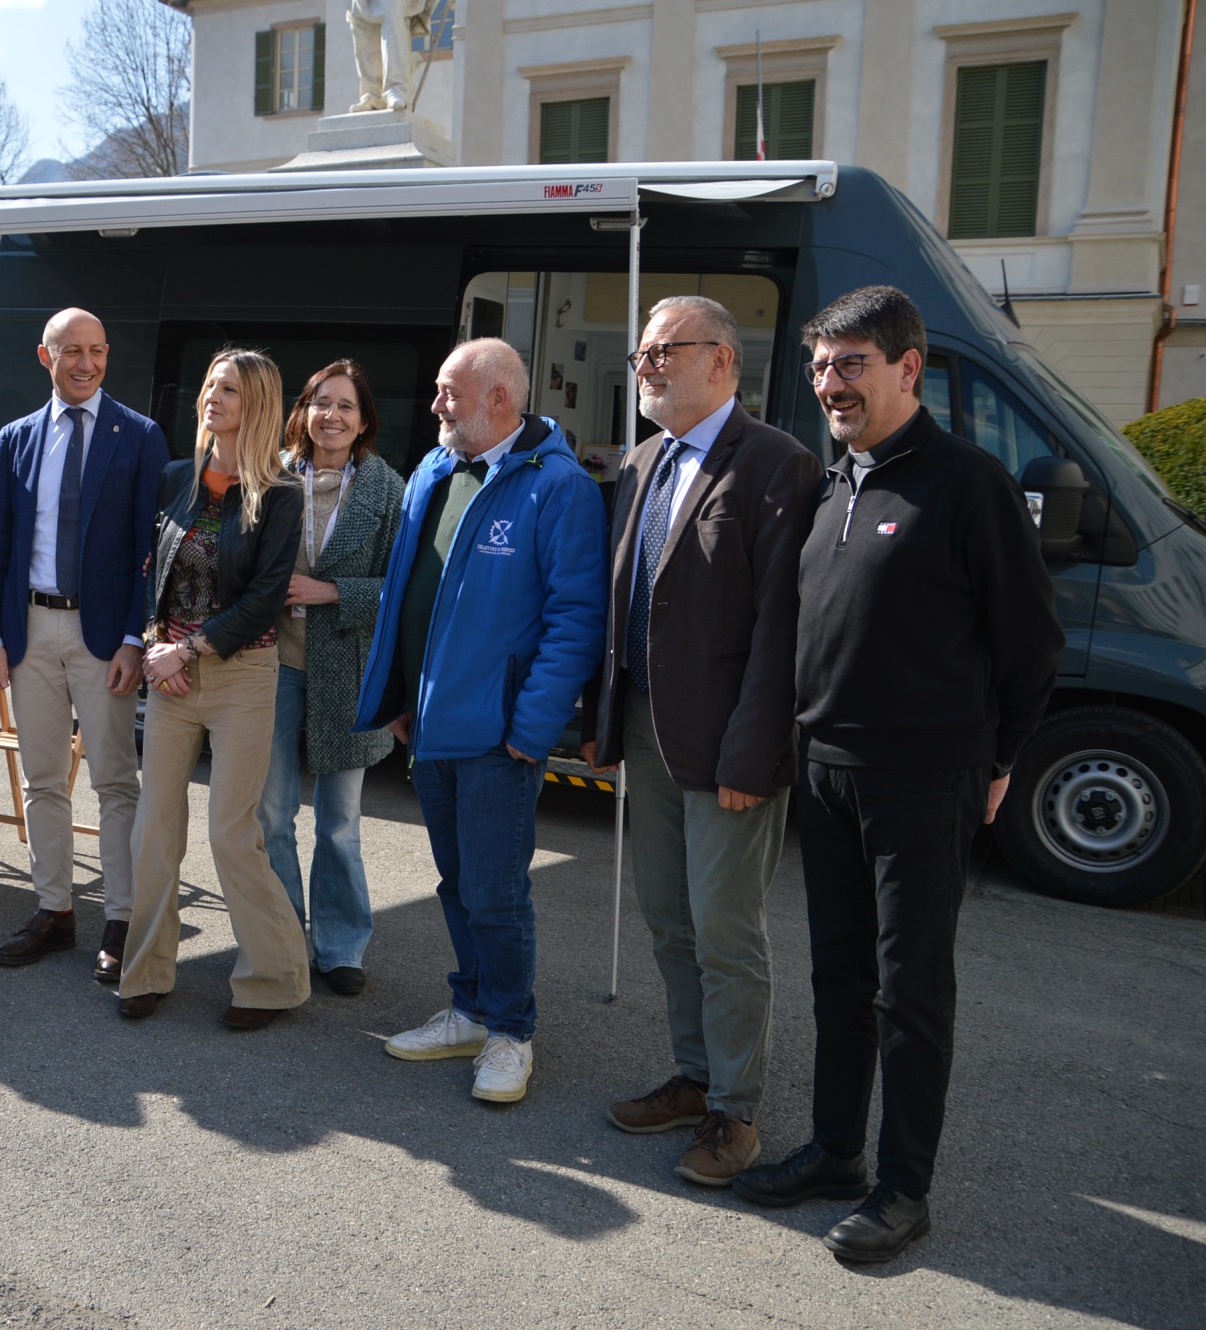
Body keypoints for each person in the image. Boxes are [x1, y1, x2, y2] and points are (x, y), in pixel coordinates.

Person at [734, 286, 1064, 1262]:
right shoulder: (834, 483)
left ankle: (902, 1188)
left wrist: (999, 758)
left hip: (923, 778)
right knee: (838, 978)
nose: (829, 383)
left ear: (907, 367)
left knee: (908, 993)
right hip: (827, 771)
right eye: (818, 367)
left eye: (850, 364)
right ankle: (835, 1152)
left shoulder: (968, 484)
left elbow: (1031, 643)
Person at [579, 297, 823, 1183]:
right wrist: (602, 721)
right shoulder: (642, 461)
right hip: (647, 726)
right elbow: (621, 604)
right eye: (641, 354)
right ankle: (695, 1076)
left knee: (725, 930)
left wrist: (754, 754)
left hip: (729, 745)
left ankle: (736, 1111)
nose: (645, 367)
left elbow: (782, 630)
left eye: (662, 352)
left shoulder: (778, 464)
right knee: (668, 918)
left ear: (721, 359)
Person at [356, 337, 606, 1104]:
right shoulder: (437, 470)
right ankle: (470, 1011)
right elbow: (410, 596)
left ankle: (510, 1032)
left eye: (449, 392)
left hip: (499, 735)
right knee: (457, 882)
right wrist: (401, 697)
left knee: (496, 892)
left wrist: (531, 729)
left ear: (499, 398)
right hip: (431, 724)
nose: (436, 404)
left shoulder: (558, 486)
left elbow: (575, 619)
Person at [119, 348, 310, 1029]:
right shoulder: (178, 477)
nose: (212, 397)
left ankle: (274, 980)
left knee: (232, 834)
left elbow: (265, 598)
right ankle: (145, 971)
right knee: (153, 831)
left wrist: (189, 649)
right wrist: (156, 645)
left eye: (228, 389)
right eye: (209, 385)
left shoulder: (282, 493)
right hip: (171, 675)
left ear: (255, 403)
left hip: (242, 676)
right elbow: (153, 572)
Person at [0, 308, 165, 979]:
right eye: (72, 351)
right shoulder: (17, 438)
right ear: (45, 356)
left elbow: (150, 550)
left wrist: (133, 639)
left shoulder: (139, 435)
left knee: (115, 781)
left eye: (97, 351)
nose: (86, 364)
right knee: (42, 779)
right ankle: (53, 910)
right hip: (29, 632)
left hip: (105, 638)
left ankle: (121, 918)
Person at [257, 360, 403, 997]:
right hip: (271, 664)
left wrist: (332, 591)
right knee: (270, 815)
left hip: (349, 668)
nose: (332, 416)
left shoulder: (388, 489)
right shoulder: (271, 476)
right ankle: (284, 937)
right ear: (303, 412)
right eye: (321, 403)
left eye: (346, 406)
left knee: (339, 822)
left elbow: (403, 590)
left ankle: (341, 948)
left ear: (364, 420)